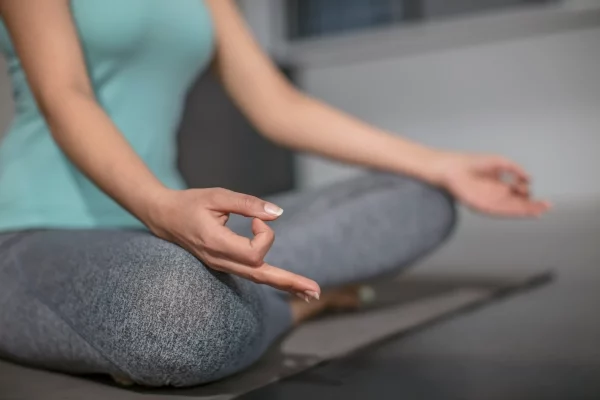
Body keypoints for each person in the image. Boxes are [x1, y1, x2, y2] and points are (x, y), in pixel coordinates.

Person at [0, 0, 550, 388]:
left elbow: (275, 104)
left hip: (164, 226)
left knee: (420, 196)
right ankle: (296, 306)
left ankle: (239, 302)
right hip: (35, 231)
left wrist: (442, 164)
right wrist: (160, 206)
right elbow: (66, 96)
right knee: (177, 312)